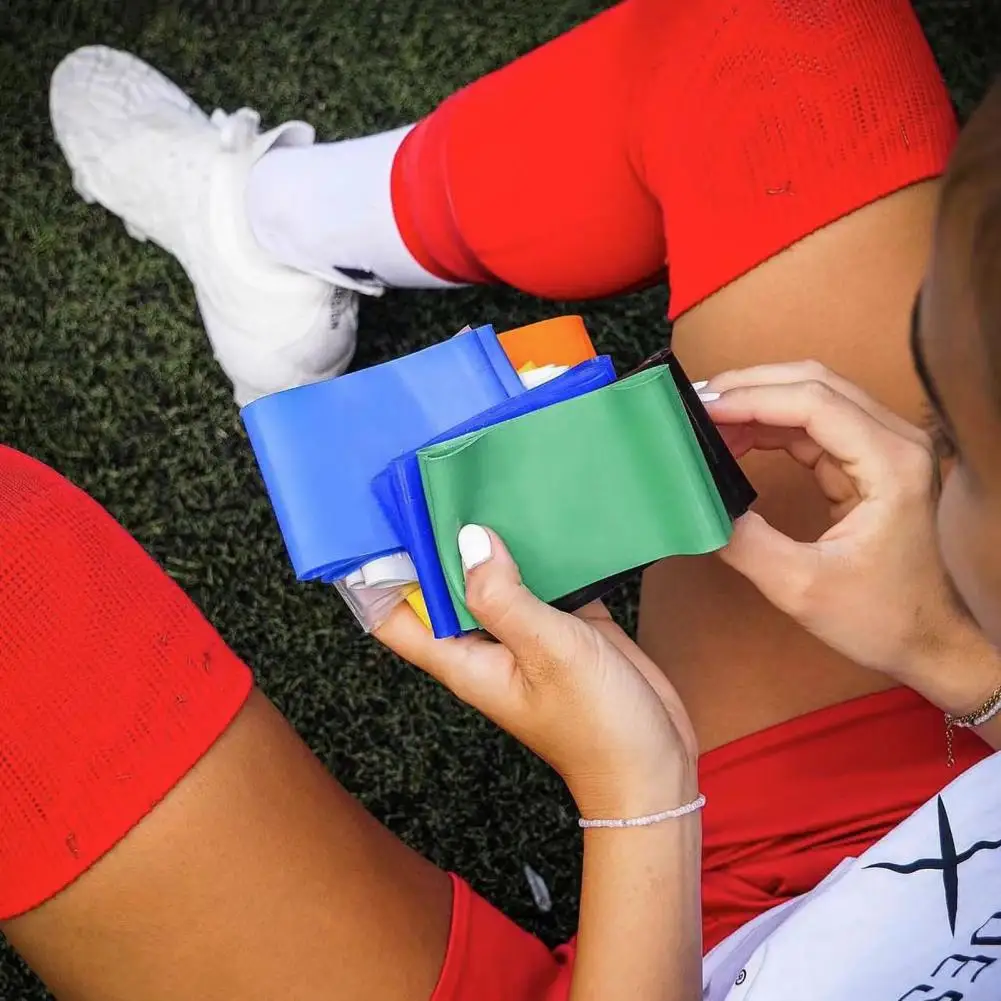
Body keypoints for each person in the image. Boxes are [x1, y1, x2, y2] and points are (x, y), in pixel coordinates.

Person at [3, 0, 1000, 998]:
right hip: (925, 786)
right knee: (786, 39)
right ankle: (271, 228)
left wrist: (638, 797)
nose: (914, 442)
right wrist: (964, 666)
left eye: (947, 439)